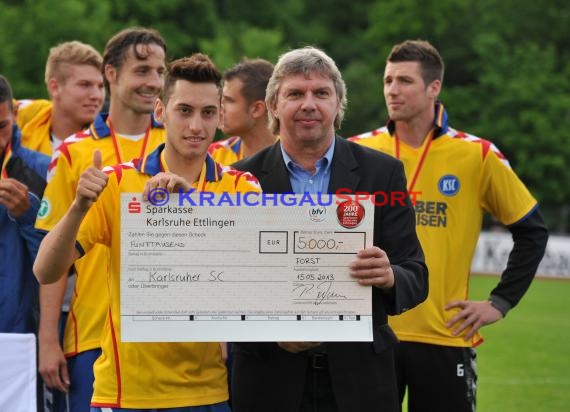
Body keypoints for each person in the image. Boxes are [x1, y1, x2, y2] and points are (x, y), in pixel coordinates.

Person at [34, 54, 260, 411]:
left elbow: (254, 288)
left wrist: (194, 209)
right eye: (184, 110)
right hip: (124, 394)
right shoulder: (117, 182)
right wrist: (78, 207)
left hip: (207, 393)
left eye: (207, 113)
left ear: (219, 116)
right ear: (160, 111)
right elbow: (45, 270)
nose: (196, 126)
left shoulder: (241, 188)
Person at [349, 39, 549, 412]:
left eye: (405, 81)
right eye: (388, 80)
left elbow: (532, 230)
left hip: (444, 336)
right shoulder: (357, 150)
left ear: (434, 87)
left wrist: (500, 302)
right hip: (371, 334)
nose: (392, 89)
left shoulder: (476, 155)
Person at [230, 46, 428, 412]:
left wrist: (389, 276)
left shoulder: (382, 173)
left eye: (321, 93)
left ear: (338, 105)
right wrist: (271, 331)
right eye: (295, 94)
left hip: (360, 383)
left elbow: (416, 274)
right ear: (273, 105)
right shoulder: (241, 178)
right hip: (268, 381)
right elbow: (223, 288)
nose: (309, 104)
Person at [35, 27, 167, 412]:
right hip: (93, 333)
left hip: (168, 331)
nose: (154, 82)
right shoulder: (75, 154)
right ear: (111, 73)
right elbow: (53, 255)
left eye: (160, 72)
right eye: (143, 70)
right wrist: (48, 338)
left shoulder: (178, 145)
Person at [0, 74, 50, 410]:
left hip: (15, 334)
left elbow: (57, 265)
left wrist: (29, 215)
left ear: (16, 112)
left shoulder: (41, 169)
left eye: (2, 126)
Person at [20, 40, 105, 156]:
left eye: (101, 86)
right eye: (85, 85)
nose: (97, 95)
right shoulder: (21, 124)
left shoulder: (111, 145)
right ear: (55, 88)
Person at [208, 58, 276, 164]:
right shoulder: (212, 156)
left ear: (257, 109)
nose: (219, 107)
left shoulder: (292, 155)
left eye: (229, 101)